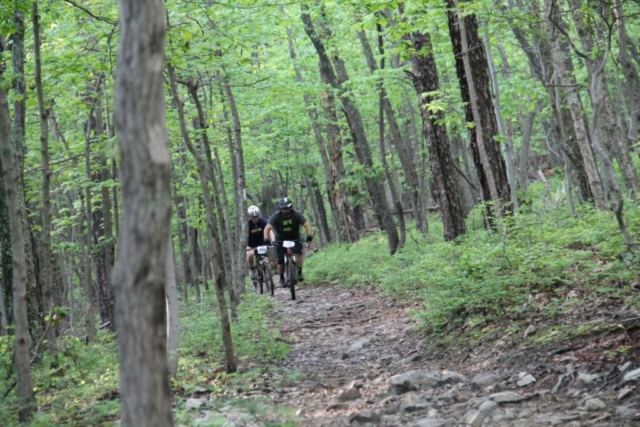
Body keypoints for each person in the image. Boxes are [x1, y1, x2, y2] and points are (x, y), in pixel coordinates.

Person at [263, 197, 313, 286]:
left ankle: (299, 272)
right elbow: (267, 228)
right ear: (280, 209)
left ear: (290, 208)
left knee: (298, 253)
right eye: (283, 209)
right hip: (280, 239)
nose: (285, 211)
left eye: (287, 208)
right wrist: (266, 239)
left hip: (295, 237)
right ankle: (282, 277)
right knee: (281, 260)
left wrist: (309, 235)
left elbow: (306, 225)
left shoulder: (296, 214)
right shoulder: (276, 216)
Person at [246, 205, 271, 279]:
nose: (255, 218)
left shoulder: (262, 221)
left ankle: (268, 275)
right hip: (251, 245)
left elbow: (269, 230)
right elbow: (243, 237)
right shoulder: (248, 224)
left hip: (262, 243)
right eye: (253, 217)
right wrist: (246, 246)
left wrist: (272, 240)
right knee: (250, 255)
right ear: (250, 217)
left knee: (266, 259)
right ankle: (251, 268)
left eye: (256, 216)